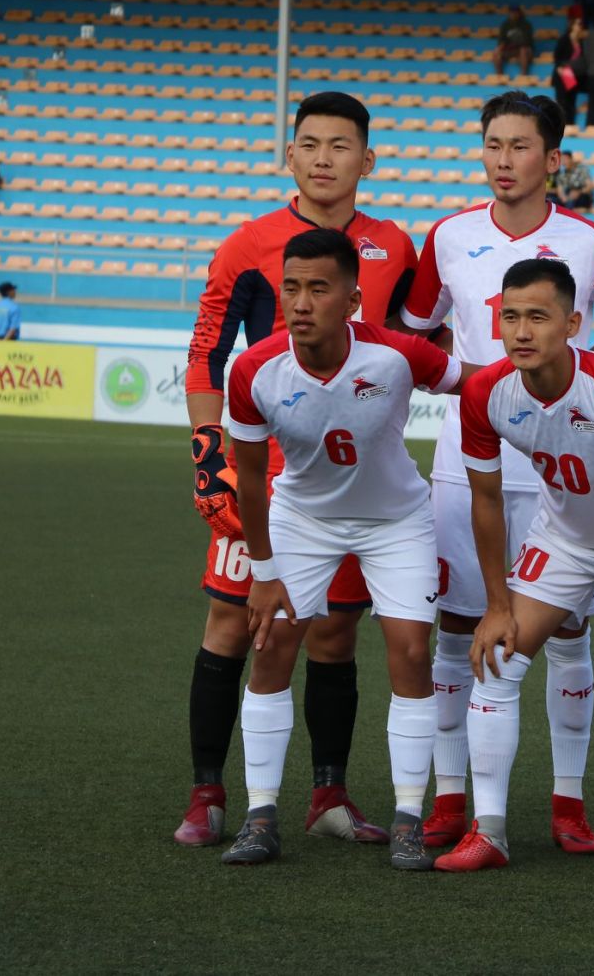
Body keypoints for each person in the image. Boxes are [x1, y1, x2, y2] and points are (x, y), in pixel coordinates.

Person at [177, 91, 420, 850]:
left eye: (340, 145)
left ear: (366, 160)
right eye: (309, 144)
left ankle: (329, 796)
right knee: (236, 622)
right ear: (289, 155)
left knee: (335, 636)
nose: (323, 158)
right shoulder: (248, 244)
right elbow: (208, 352)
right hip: (264, 482)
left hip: (358, 484)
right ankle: (209, 794)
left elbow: (409, 346)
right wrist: (208, 450)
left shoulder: (395, 247)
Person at [399, 91, 594, 855]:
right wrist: (467, 381)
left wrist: (588, 386)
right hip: (469, 462)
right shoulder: (449, 235)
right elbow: (412, 331)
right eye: (493, 144)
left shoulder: (588, 241)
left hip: (567, 467)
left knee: (568, 631)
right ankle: (451, 797)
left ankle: (568, 803)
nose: (504, 160)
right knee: (458, 627)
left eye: (521, 146)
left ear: (553, 158)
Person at [434, 259, 594, 885]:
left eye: (538, 317)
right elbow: (486, 500)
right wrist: (497, 604)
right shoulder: (485, 391)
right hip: (564, 536)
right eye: (510, 317)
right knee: (496, 659)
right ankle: (489, 830)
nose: (521, 331)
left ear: (573, 324)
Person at [220, 228, 465, 869]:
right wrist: (264, 571)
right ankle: (260, 816)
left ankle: (408, 818)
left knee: (411, 653)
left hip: (396, 521)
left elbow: (477, 383)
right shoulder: (253, 370)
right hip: (303, 520)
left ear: (353, 300)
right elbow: (251, 479)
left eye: (319, 289)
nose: (301, 303)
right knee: (270, 647)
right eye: (291, 288)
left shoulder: (397, 354)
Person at [550, 15, 585, 125]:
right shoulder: (564, 39)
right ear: (572, 25)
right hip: (563, 72)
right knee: (562, 102)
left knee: (571, 101)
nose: (580, 26)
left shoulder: (581, 42)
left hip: (574, 74)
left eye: (581, 24)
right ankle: (560, 126)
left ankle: (570, 125)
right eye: (578, 24)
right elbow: (557, 56)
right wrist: (559, 67)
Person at [493, 4, 533, 79]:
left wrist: (515, 44)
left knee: (523, 50)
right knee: (496, 51)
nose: (513, 14)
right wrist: (500, 47)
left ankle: (523, 75)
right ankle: (500, 76)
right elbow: (502, 40)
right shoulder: (505, 25)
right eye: (511, 12)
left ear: (519, 13)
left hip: (524, 49)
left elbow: (527, 42)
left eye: (515, 12)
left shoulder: (526, 25)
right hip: (510, 49)